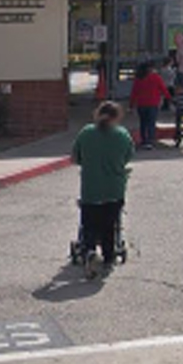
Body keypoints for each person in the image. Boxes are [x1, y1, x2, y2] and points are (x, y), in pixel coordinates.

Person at [71, 101, 135, 279]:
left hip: (91, 189)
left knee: (89, 224)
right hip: (114, 189)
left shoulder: (86, 133)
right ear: (117, 117)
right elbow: (129, 155)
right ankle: (108, 256)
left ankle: (89, 250)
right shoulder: (122, 135)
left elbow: (76, 157)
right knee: (110, 226)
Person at [128, 61, 171, 148]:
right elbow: (163, 89)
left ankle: (144, 141)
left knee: (143, 123)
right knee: (151, 123)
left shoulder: (139, 79)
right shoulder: (156, 78)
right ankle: (151, 140)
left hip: (141, 104)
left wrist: (131, 105)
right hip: (153, 103)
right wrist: (169, 98)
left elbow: (134, 93)